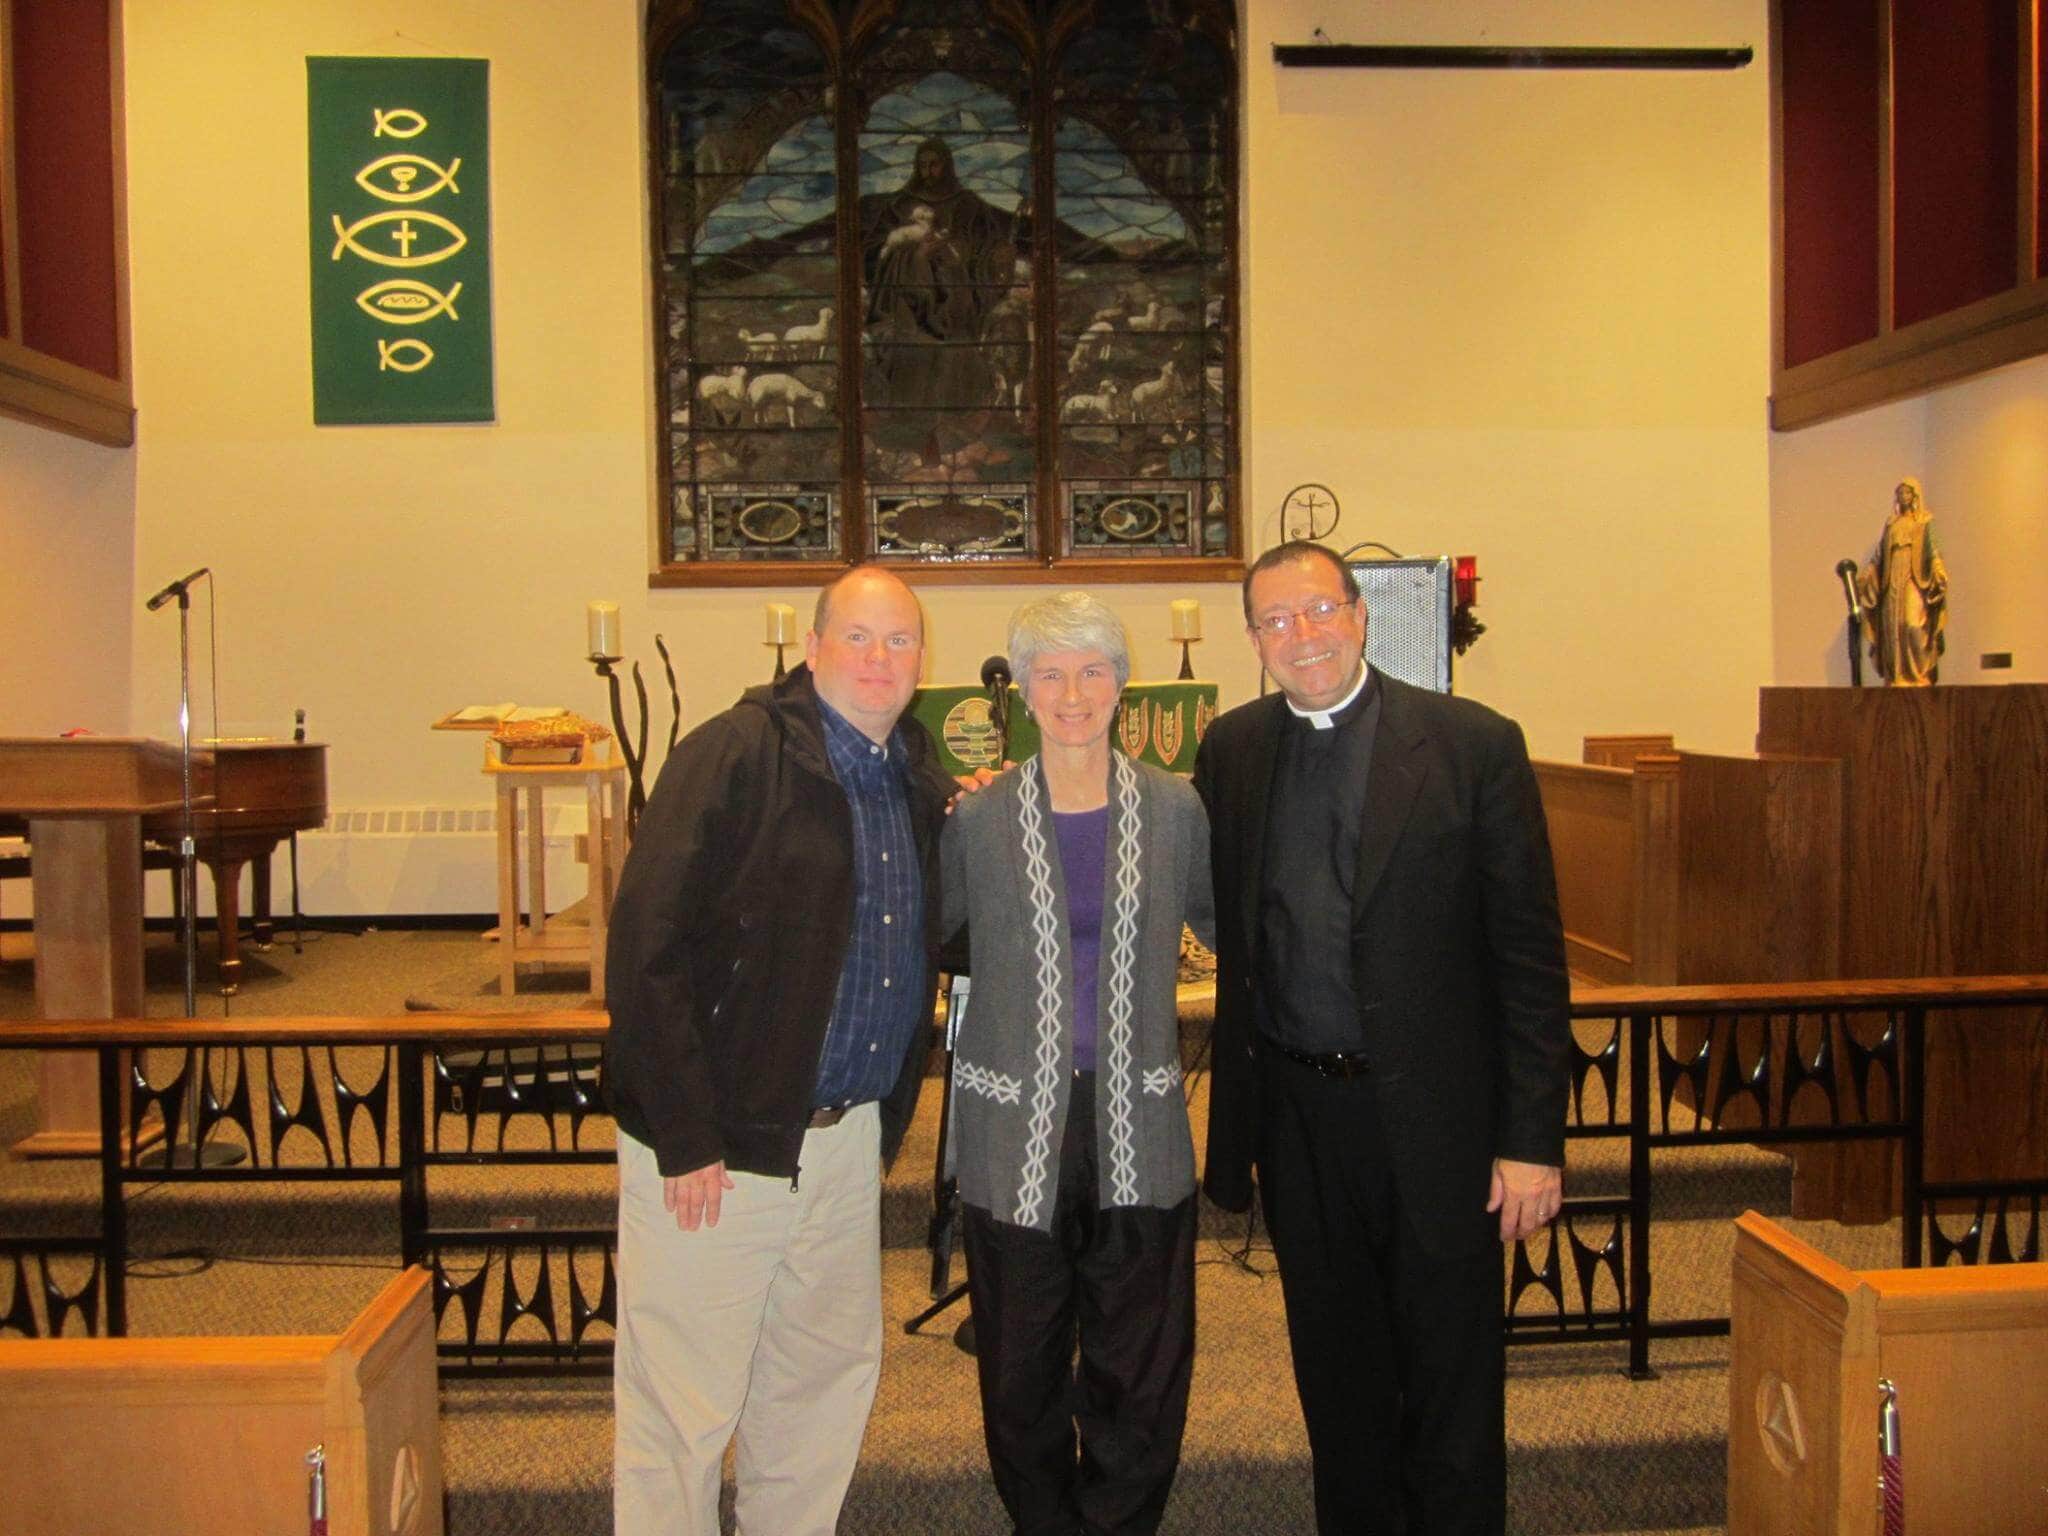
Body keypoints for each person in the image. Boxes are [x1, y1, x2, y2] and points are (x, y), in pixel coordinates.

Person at [1191, 541, 1571, 1536]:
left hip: (1434, 1122)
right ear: (1253, 641)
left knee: (1447, 1383)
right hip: (1298, 1117)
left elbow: (1527, 963)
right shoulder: (1230, 751)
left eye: (1316, 611)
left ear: (1358, 615)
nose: (1300, 635)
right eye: (1274, 621)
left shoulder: (1469, 743)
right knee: (1337, 1379)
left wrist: (1529, 1139)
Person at [604, 565, 958, 1536]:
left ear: (921, 662)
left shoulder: (915, 779)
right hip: (718, 1142)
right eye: (859, 636)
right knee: (683, 1406)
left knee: (815, 1394)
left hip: (841, 1141)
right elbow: (646, 944)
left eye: (900, 641)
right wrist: (683, 1129)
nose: (880, 658)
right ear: (812, 647)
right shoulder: (734, 753)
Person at [941, 591, 1216, 1536]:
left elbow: (1226, 930)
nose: (1072, 692)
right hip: (1013, 1124)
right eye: (1049, 672)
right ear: (1020, 688)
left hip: (1137, 1119)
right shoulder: (976, 820)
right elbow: (930, 939)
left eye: (1093, 669)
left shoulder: (1177, 811)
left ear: (1122, 686)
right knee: (1019, 1364)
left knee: (1140, 1362)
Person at [862, 137, 1018, 422]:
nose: (927, 172)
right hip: (905, 299)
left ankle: (955, 416)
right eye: (922, 165)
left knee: (955, 350)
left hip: (955, 292)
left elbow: (988, 247)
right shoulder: (899, 206)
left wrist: (957, 254)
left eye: (933, 165)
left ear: (946, 166)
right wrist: (915, 254)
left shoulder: (968, 204)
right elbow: (874, 251)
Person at [1856, 476, 1949, 686]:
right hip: (1892, 578)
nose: (1903, 496)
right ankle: (1897, 674)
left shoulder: (1924, 521)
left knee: (1912, 623)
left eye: (1906, 492)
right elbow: (1879, 556)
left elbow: (1933, 551)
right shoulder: (1891, 524)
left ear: (1914, 495)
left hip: (1914, 578)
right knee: (1893, 627)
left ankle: (1918, 674)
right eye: (1899, 493)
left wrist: (1938, 570)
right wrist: (1867, 574)